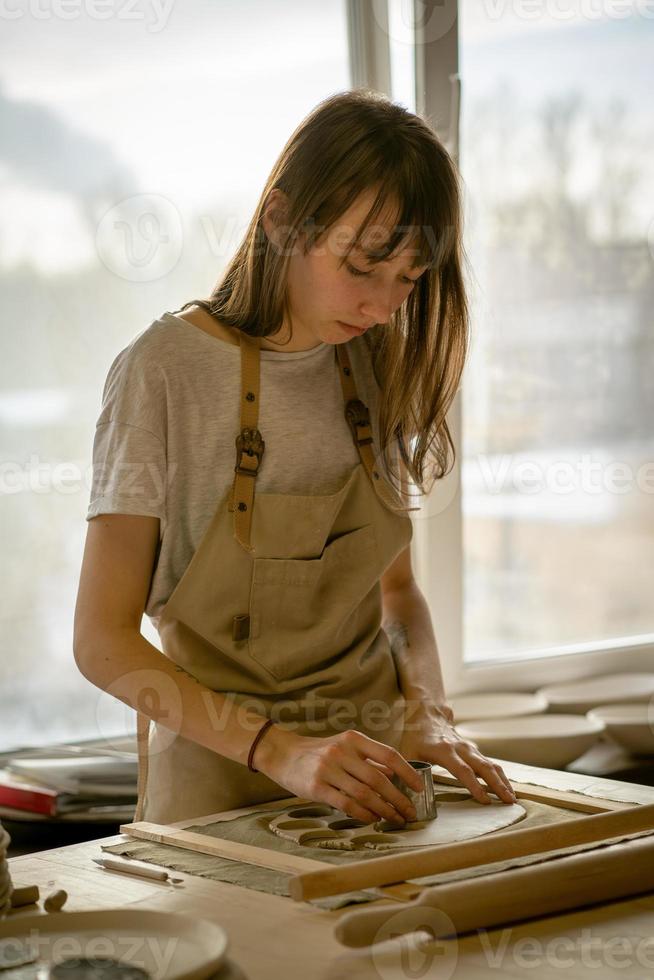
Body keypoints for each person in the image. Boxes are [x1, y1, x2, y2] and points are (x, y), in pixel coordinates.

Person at [74, 89, 516, 826]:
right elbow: (102, 640)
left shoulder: (376, 361)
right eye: (362, 266)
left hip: (375, 783)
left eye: (407, 279)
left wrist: (429, 714)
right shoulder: (163, 371)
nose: (381, 306)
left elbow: (397, 595)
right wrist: (285, 752)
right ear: (280, 220)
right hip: (217, 787)